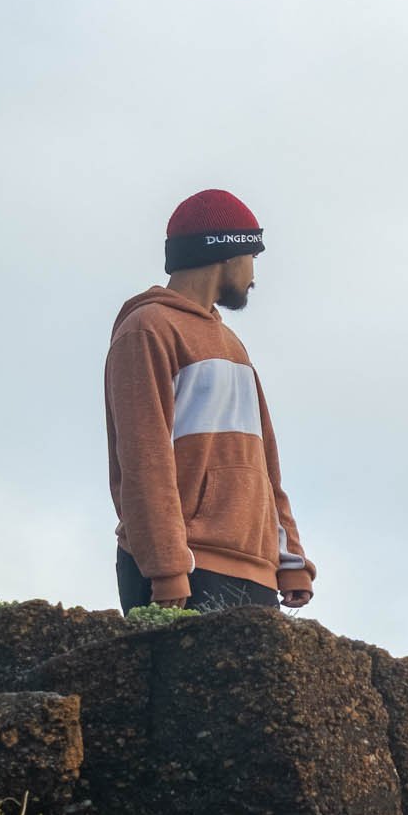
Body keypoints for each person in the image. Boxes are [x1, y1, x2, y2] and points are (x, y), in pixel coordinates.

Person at [105, 189, 315, 613]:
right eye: (252, 255)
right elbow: (145, 461)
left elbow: (263, 462)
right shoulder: (147, 329)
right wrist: (167, 568)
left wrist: (290, 559)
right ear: (225, 253)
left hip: (254, 571)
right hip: (184, 570)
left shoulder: (232, 344)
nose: (254, 273)